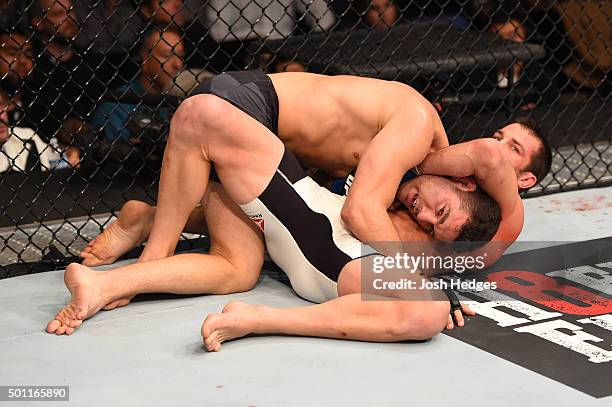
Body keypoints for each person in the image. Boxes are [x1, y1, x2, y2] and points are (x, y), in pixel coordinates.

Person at [90, 26, 184, 143]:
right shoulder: (115, 109)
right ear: (144, 60)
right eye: (167, 55)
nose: (178, 64)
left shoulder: (182, 101)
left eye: (180, 55)